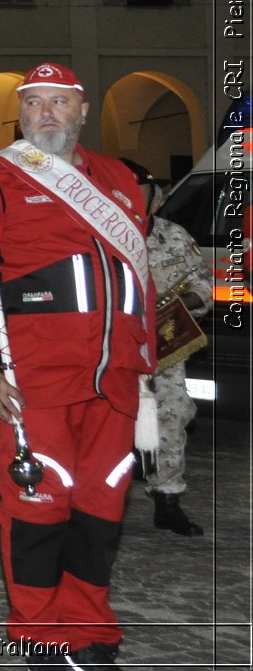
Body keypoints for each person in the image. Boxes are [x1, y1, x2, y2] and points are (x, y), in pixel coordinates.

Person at [0, 63, 152, 671]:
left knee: (101, 506)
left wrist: (146, 366)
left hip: (113, 381)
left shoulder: (117, 180)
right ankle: (39, 633)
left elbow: (139, 277)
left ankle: (90, 626)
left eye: (61, 103)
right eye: (36, 104)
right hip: (32, 383)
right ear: (21, 115)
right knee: (38, 508)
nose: (49, 114)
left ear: (83, 112)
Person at [121, 158, 209, 537]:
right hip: (114, 352)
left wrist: (184, 303)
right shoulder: (99, 237)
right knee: (109, 427)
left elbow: (204, 284)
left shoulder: (174, 236)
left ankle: (168, 501)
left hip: (165, 352)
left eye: (141, 196)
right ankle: (103, 503)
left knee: (172, 419)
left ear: (156, 202)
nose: (134, 203)